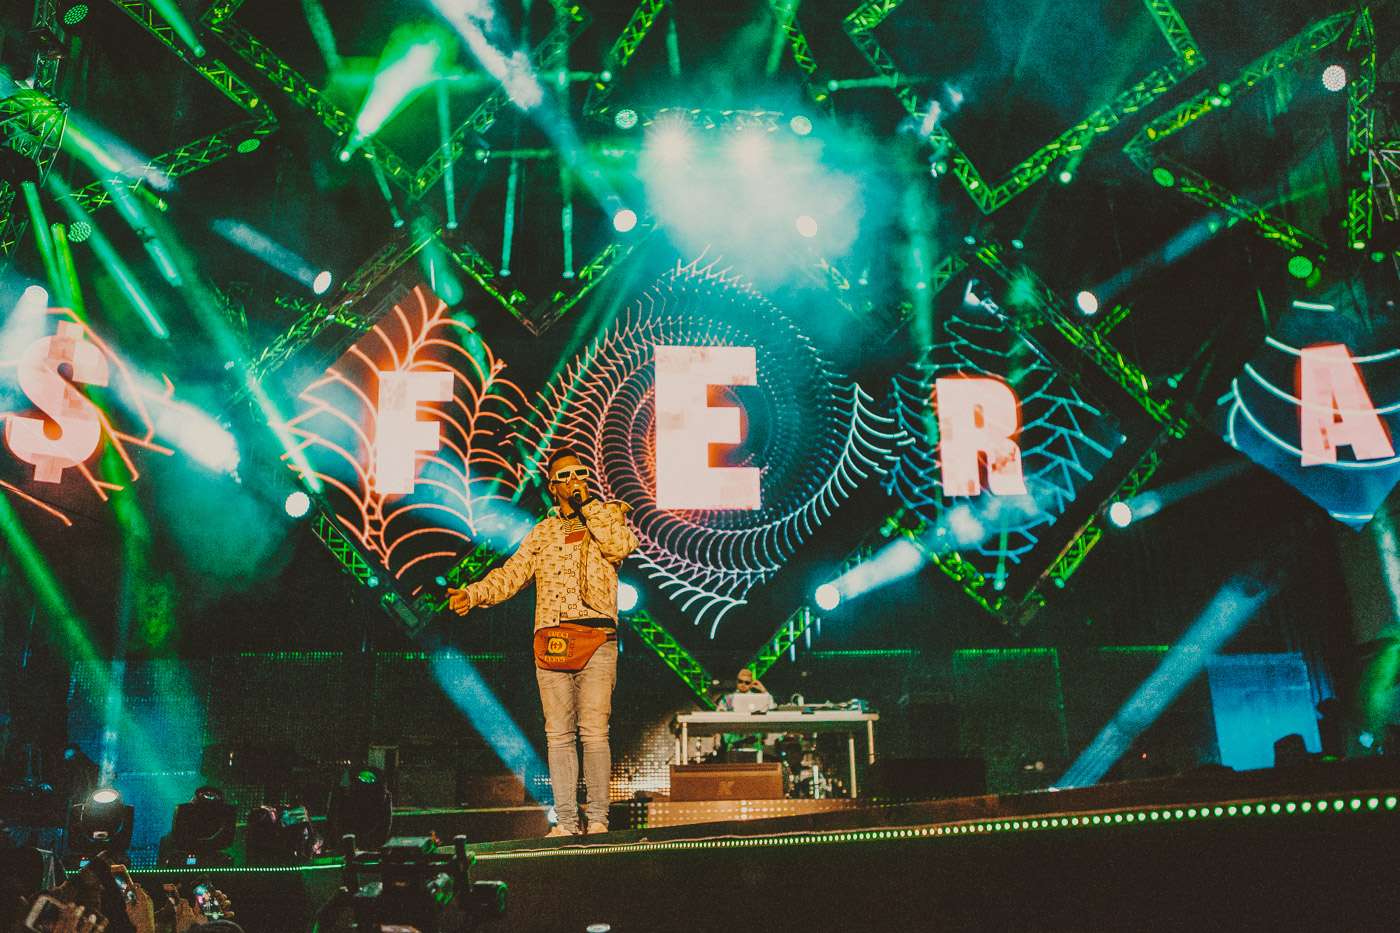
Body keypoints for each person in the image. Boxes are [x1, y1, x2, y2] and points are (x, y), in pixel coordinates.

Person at [448, 450, 638, 838]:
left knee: (594, 732)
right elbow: (511, 574)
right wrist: (473, 593)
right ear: (553, 486)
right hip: (552, 638)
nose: (574, 479)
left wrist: (589, 506)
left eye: (580, 472)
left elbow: (619, 546)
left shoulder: (606, 516)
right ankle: (565, 822)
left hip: (597, 635)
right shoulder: (541, 533)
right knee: (558, 735)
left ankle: (598, 820)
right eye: (564, 475)